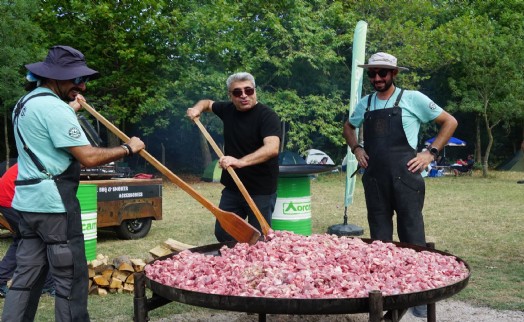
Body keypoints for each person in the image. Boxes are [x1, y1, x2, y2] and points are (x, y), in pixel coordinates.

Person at [2, 45, 145, 322]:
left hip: (27, 204)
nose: (82, 86)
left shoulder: (25, 102)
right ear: (54, 77)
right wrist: (129, 148)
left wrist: (68, 107)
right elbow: (88, 157)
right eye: (77, 79)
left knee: (25, 278)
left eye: (84, 79)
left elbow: (47, 127)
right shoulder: (55, 109)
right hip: (54, 206)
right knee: (71, 279)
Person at [343, 52, 457, 318]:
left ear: (394, 74)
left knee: (412, 237)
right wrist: (357, 148)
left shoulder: (413, 98)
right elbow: (348, 126)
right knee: (380, 240)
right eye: (372, 73)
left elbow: (449, 122)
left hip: (406, 178)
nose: (377, 78)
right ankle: (385, 294)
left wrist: (431, 152)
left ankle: (418, 296)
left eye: (383, 73)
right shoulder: (366, 103)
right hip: (374, 180)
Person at [186, 72, 281, 242]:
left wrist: (240, 162)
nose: (244, 95)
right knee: (224, 233)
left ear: (255, 91)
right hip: (233, 188)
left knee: (259, 239)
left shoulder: (267, 116)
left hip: (261, 190)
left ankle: (256, 267)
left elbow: (272, 148)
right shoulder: (227, 109)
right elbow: (207, 103)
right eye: (237, 92)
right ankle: (234, 266)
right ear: (230, 96)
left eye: (248, 90)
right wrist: (197, 109)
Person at [0, 164, 56, 298]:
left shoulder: (40, 158)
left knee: (22, 239)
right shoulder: (47, 163)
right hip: (11, 198)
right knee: (43, 238)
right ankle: (48, 284)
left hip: (9, 197)